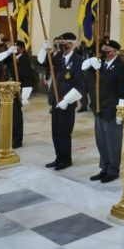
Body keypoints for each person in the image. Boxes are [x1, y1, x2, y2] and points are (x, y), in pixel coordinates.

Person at [82, 39, 124, 183]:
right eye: (103, 50)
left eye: (107, 51)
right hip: (99, 108)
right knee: (101, 141)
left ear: (115, 52)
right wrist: (91, 61)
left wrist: (121, 112)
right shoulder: (101, 64)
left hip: (112, 110)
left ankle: (113, 169)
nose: (105, 53)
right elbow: (83, 69)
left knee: (112, 142)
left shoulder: (121, 67)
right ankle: (104, 167)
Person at [36, 32, 84, 170]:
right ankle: (58, 158)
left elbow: (80, 86)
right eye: (62, 44)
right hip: (55, 100)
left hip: (67, 102)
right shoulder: (57, 57)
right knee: (55, 132)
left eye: (67, 44)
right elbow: (41, 62)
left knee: (64, 132)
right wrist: (43, 49)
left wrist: (67, 100)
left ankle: (66, 160)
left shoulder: (78, 60)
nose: (64, 46)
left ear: (73, 44)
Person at [0, 39, 35, 149]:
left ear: (22, 49)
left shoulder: (24, 60)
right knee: (10, 116)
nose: (15, 49)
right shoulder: (11, 57)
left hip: (19, 90)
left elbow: (28, 79)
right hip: (9, 90)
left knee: (17, 117)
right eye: (14, 47)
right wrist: (8, 52)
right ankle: (10, 137)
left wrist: (25, 96)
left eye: (17, 47)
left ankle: (17, 140)